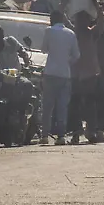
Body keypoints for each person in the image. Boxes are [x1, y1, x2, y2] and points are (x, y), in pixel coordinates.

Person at [41, 11, 79, 145]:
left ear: (52, 19)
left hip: (50, 73)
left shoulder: (49, 31)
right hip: (65, 75)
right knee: (62, 107)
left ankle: (44, 136)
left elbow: (43, 49)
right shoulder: (71, 33)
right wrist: (67, 62)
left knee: (47, 106)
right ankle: (61, 136)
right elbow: (76, 55)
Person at [69, 9, 104, 144]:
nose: (81, 23)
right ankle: (76, 132)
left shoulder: (92, 33)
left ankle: (91, 131)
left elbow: (102, 21)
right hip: (75, 73)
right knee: (75, 104)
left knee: (89, 104)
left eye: (84, 20)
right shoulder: (71, 33)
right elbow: (60, 16)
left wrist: (96, 5)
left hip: (89, 74)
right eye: (80, 20)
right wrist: (66, 1)